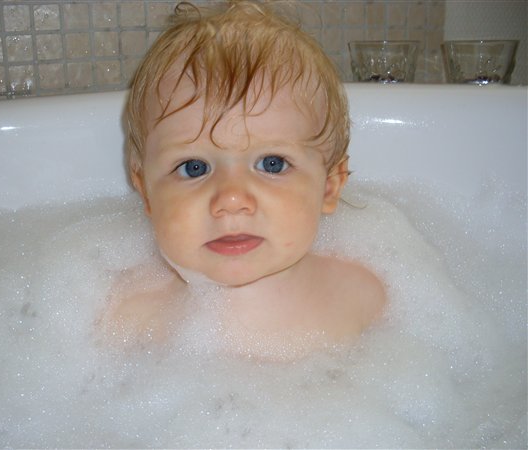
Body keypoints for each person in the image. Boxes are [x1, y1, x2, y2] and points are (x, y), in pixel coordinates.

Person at [103, 0, 386, 358]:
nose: (232, 199)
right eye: (194, 167)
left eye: (272, 164)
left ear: (329, 186)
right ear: (146, 193)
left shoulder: (363, 299)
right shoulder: (130, 321)